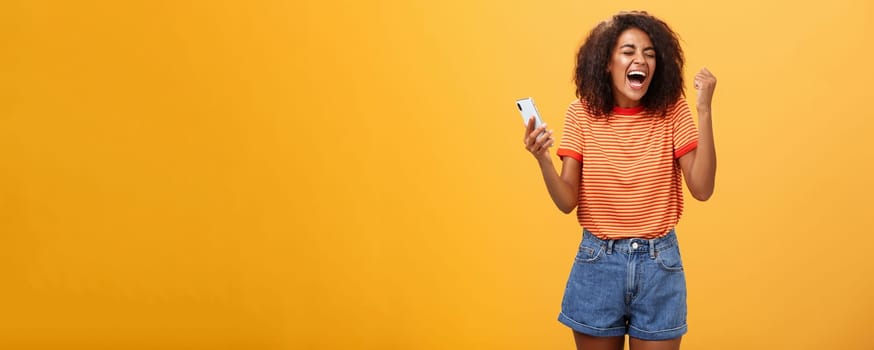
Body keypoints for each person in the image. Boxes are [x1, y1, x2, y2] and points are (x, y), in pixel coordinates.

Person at [522, 11, 717, 350]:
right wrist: (542, 160)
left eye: (649, 53)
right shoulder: (581, 113)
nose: (640, 59)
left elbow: (702, 189)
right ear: (606, 63)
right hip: (598, 263)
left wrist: (704, 110)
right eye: (628, 51)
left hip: (660, 265)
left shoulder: (673, 111)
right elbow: (567, 201)